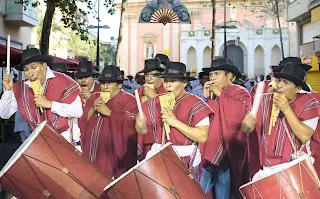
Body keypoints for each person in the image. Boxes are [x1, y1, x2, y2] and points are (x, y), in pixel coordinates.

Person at [135, 62, 213, 181]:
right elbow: (143, 131)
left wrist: (174, 121)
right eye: (166, 81)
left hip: (185, 162)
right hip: (158, 160)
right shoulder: (154, 102)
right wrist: (139, 124)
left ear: (184, 83)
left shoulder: (196, 103)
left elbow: (202, 136)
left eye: (173, 81)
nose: (168, 85)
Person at [242, 63, 319, 182]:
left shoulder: (310, 103)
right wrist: (246, 124)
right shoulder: (265, 99)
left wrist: (286, 109)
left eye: (286, 83)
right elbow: (247, 129)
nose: (280, 85)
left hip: (295, 168)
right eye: (280, 80)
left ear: (298, 89)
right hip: (267, 168)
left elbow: (305, 136)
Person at [0, 48, 82, 144]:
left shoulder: (64, 81)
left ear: (44, 66)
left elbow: (77, 111)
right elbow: (4, 114)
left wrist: (50, 104)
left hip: (67, 144)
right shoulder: (20, 88)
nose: (30, 74)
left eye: (34, 68)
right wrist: (8, 91)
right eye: (26, 70)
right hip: (40, 145)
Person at [200, 60, 252, 199]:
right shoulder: (213, 94)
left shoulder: (240, 92)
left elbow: (238, 116)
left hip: (228, 150)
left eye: (217, 74)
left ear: (230, 77)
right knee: (205, 189)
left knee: (221, 189)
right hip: (210, 148)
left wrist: (221, 94)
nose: (212, 78)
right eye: (211, 74)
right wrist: (206, 98)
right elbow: (207, 119)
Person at [81, 65, 138, 178]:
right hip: (93, 150)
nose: (105, 86)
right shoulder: (94, 97)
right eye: (103, 83)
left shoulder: (129, 100)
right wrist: (92, 109)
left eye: (110, 83)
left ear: (120, 85)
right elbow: (82, 122)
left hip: (113, 154)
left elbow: (132, 124)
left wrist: (109, 113)